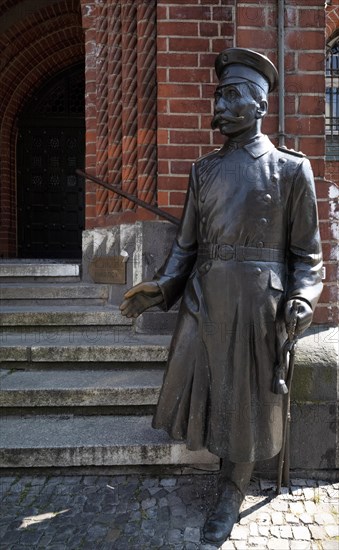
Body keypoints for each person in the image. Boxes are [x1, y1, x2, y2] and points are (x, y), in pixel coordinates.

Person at [120, 48, 323, 545]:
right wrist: (162, 288)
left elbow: (309, 255)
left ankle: (231, 489)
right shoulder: (203, 171)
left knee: (248, 401)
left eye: (232, 95)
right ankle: (223, 472)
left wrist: (302, 297)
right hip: (205, 299)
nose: (220, 103)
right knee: (209, 391)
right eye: (219, 94)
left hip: (259, 302)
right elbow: (186, 246)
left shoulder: (291, 170)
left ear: (258, 105)